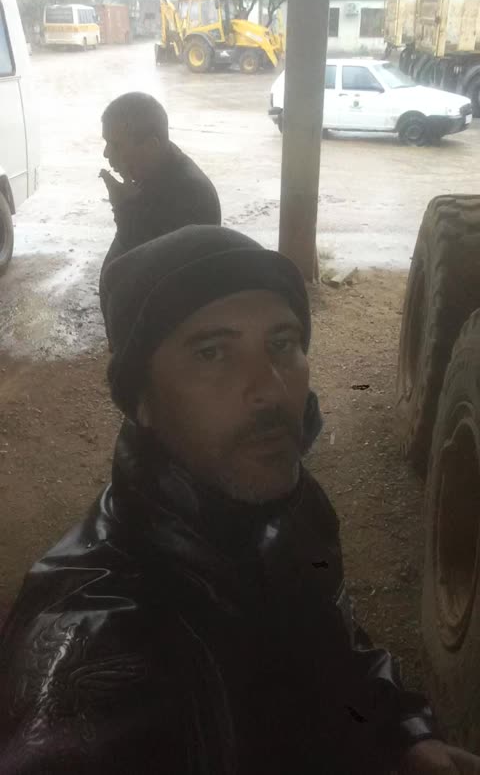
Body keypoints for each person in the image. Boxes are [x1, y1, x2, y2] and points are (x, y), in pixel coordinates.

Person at [1, 226, 479, 775]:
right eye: (212, 352)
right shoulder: (99, 641)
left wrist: (403, 735)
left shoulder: (288, 503)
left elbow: (328, 647)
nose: (271, 388)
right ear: (141, 400)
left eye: (283, 343)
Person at [98, 92, 221, 332]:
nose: (106, 153)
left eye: (115, 145)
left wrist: (124, 209)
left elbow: (146, 269)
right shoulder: (153, 172)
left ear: (151, 146)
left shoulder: (187, 196)